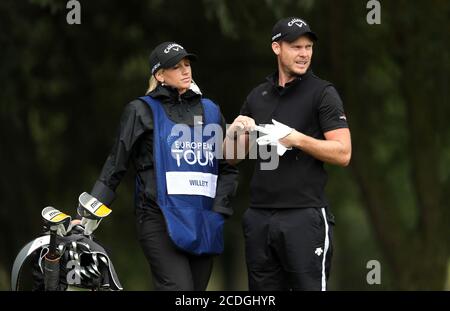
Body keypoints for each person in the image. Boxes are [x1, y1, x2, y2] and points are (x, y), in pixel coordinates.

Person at [86, 41, 238, 290]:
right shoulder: (140, 111)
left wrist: (219, 211)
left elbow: (228, 169)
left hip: (204, 221)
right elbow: (115, 167)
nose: (185, 71)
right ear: (159, 75)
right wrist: (87, 216)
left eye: (187, 64)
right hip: (158, 221)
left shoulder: (211, 112)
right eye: (176, 67)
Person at [224, 17, 351, 291]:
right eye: (296, 47)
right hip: (259, 217)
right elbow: (231, 157)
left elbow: (343, 153)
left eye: (308, 47)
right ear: (276, 48)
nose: (304, 54)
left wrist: (298, 139)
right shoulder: (258, 96)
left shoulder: (323, 93)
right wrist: (236, 132)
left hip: (304, 216)